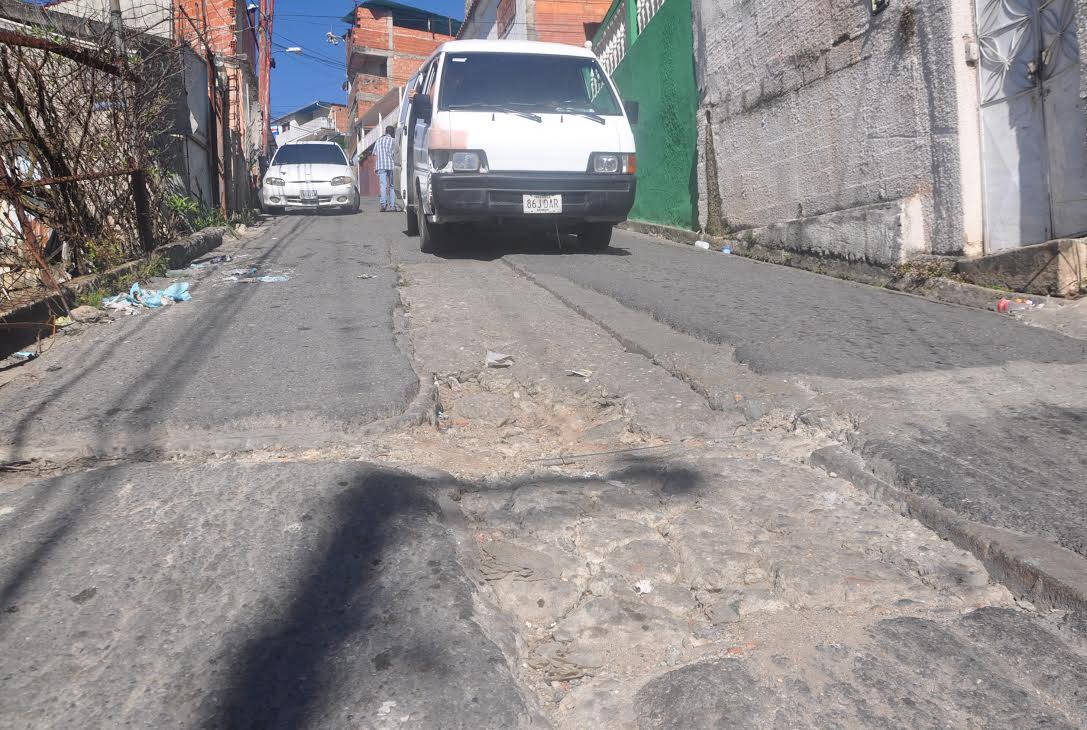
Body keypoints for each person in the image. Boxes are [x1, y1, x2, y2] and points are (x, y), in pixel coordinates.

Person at [375, 125, 397, 212]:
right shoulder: (393, 141)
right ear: (392, 133)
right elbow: (395, 153)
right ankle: (392, 206)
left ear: (386, 132)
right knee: (392, 186)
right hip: (391, 165)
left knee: (383, 185)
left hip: (381, 165)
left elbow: (374, 153)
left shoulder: (378, 140)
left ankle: (383, 204)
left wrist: (375, 166)